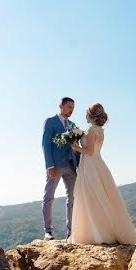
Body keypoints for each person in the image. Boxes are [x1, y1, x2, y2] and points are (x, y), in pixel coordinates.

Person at [68, 103, 136, 245]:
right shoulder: (99, 129)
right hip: (97, 163)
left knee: (92, 195)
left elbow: (90, 151)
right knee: (100, 194)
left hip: (91, 165)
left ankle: (97, 232)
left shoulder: (92, 130)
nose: (85, 115)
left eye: (86, 113)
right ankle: (98, 229)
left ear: (91, 115)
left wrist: (75, 147)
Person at [41, 97, 80, 240]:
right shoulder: (50, 121)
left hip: (71, 166)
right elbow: (45, 144)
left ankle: (71, 232)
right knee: (49, 197)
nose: (71, 110)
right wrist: (49, 165)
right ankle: (48, 231)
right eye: (69, 107)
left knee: (72, 198)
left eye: (73, 108)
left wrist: (79, 164)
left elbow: (75, 147)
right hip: (55, 166)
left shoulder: (73, 125)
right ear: (61, 106)